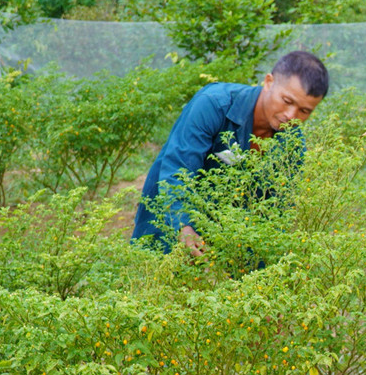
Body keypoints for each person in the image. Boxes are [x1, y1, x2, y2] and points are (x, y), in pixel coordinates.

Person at [130, 50, 329, 254]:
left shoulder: (292, 143)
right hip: (170, 221)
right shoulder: (214, 104)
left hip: (229, 244)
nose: (291, 115)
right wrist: (184, 227)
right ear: (269, 82)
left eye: (304, 111)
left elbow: (279, 209)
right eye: (287, 101)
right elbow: (177, 170)